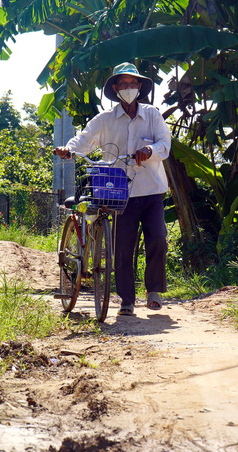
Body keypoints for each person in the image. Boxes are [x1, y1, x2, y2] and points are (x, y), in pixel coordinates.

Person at [54, 62, 172, 316]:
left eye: (133, 84)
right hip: (118, 192)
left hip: (151, 189)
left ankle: (153, 291)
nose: (128, 88)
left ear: (139, 87)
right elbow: (84, 139)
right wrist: (68, 149)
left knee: (158, 239)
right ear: (116, 89)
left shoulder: (152, 115)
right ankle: (127, 300)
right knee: (122, 247)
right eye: (123, 84)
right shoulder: (105, 119)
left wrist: (150, 150)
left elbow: (165, 142)